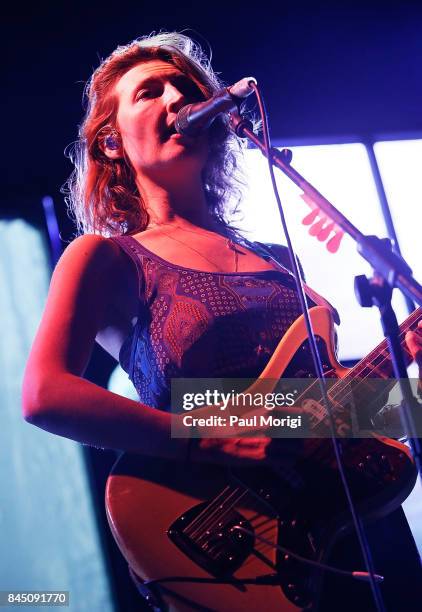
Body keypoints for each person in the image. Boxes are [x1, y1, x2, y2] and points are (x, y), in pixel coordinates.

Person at [22, 32, 422, 611]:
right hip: (229, 538)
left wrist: (405, 366)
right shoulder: (107, 256)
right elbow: (44, 394)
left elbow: (317, 410)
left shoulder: (280, 260)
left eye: (186, 87)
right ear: (111, 143)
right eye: (149, 92)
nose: (176, 99)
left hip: (357, 526)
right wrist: (212, 437)